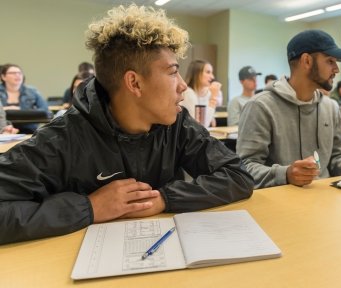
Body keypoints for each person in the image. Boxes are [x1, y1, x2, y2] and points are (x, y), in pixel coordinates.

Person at [0, 4, 253, 245]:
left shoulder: (177, 124)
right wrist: (88, 208)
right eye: (173, 72)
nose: (182, 86)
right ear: (134, 83)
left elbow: (237, 176)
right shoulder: (62, 139)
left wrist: (165, 198)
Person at [237, 29, 341, 189]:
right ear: (307, 61)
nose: (336, 69)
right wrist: (286, 174)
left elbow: (336, 157)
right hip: (280, 204)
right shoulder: (260, 106)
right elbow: (244, 168)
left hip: (325, 199)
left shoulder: (331, 107)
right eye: (330, 61)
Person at [0, 64, 52, 133]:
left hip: (29, 129)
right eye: (13, 73)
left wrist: (19, 110)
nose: (17, 75)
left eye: (20, 73)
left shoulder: (32, 91)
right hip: (4, 130)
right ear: (3, 77)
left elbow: (46, 111)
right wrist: (5, 109)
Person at [181, 59, 223, 127]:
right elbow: (200, 126)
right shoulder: (188, 93)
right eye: (208, 72)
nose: (212, 77)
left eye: (212, 73)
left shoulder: (209, 93)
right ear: (197, 74)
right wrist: (213, 98)